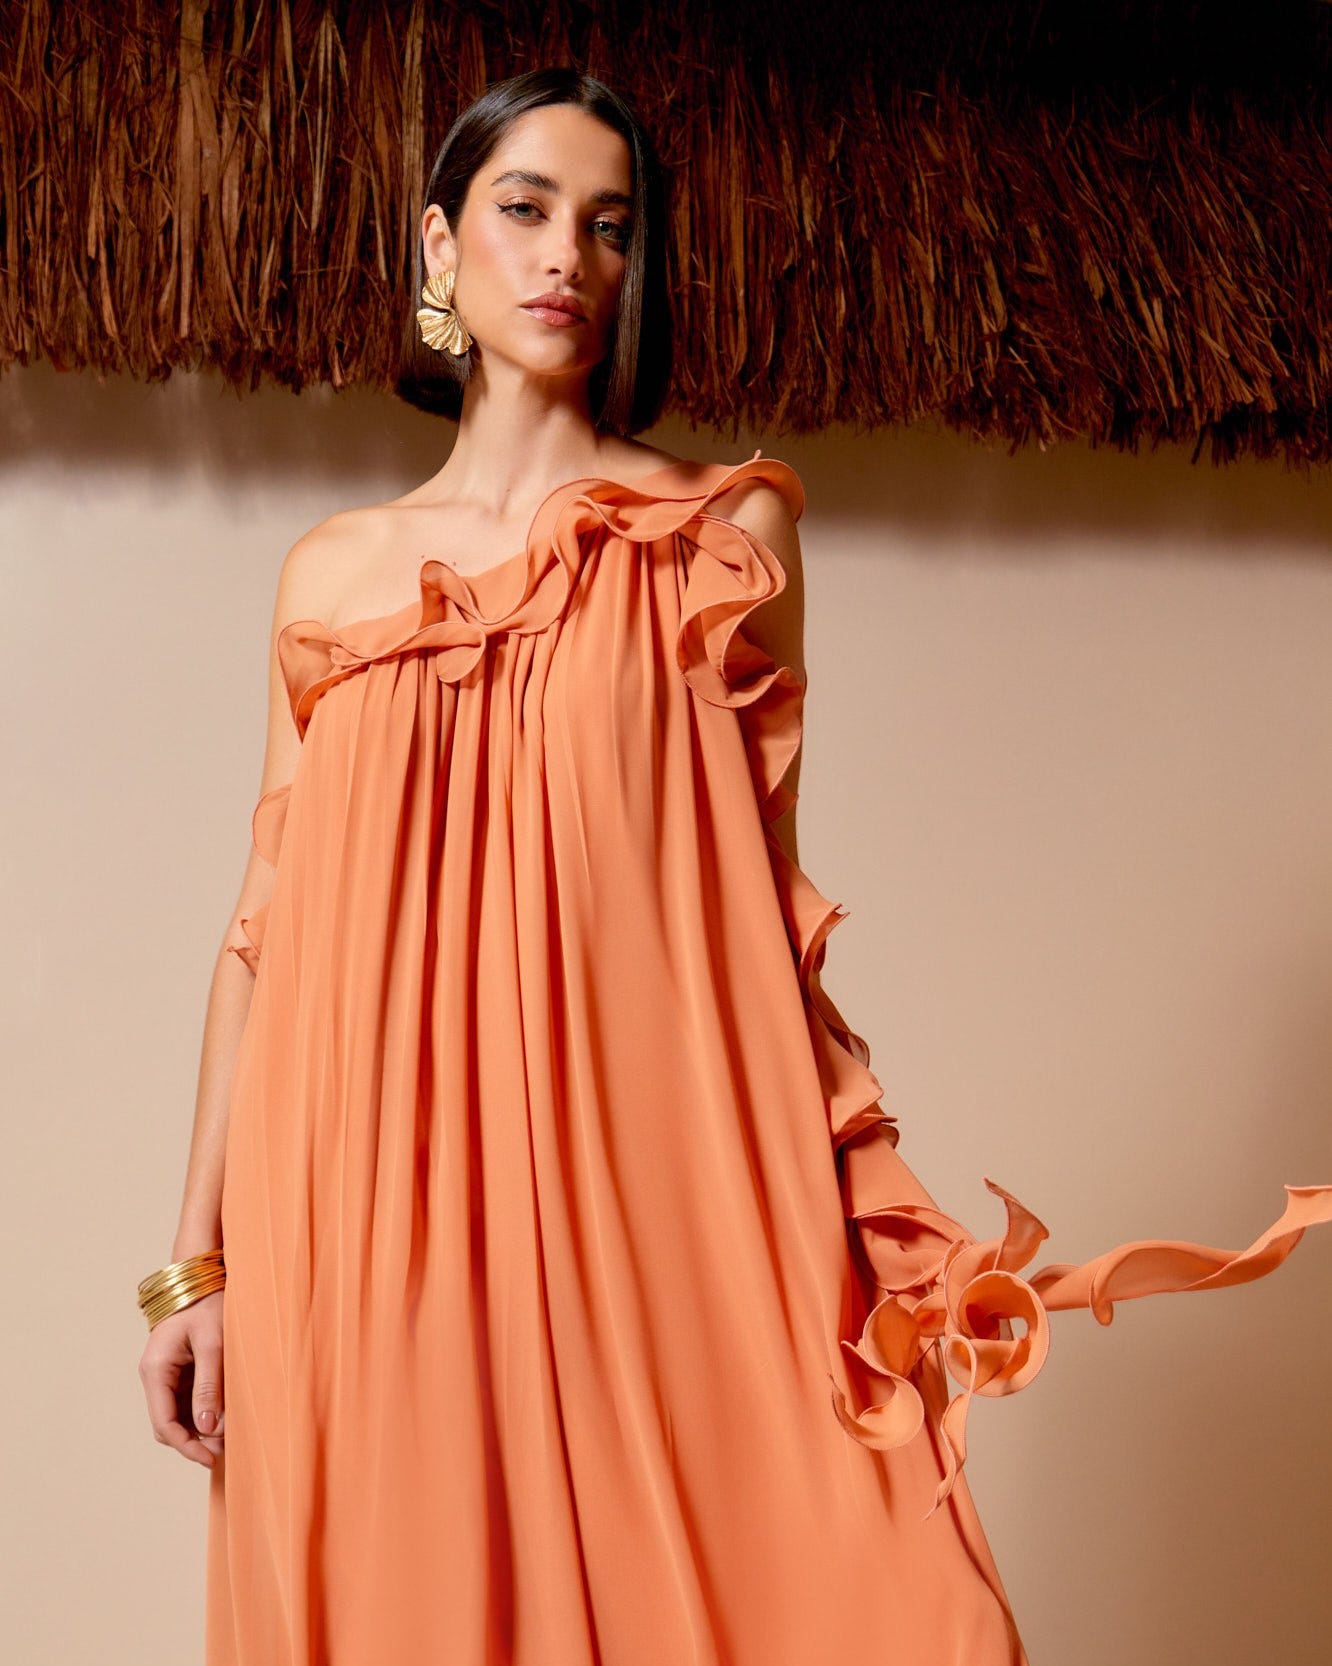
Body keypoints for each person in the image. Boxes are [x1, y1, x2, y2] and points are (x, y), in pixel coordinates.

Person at [136, 66, 1332, 1665]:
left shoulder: (726, 535)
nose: (568, 256)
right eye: (526, 208)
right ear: (438, 246)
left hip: (627, 1178)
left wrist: (851, 1207)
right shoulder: (329, 573)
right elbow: (259, 928)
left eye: (610, 225)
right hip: (353, 1197)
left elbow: (755, 916)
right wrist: (195, 1266)